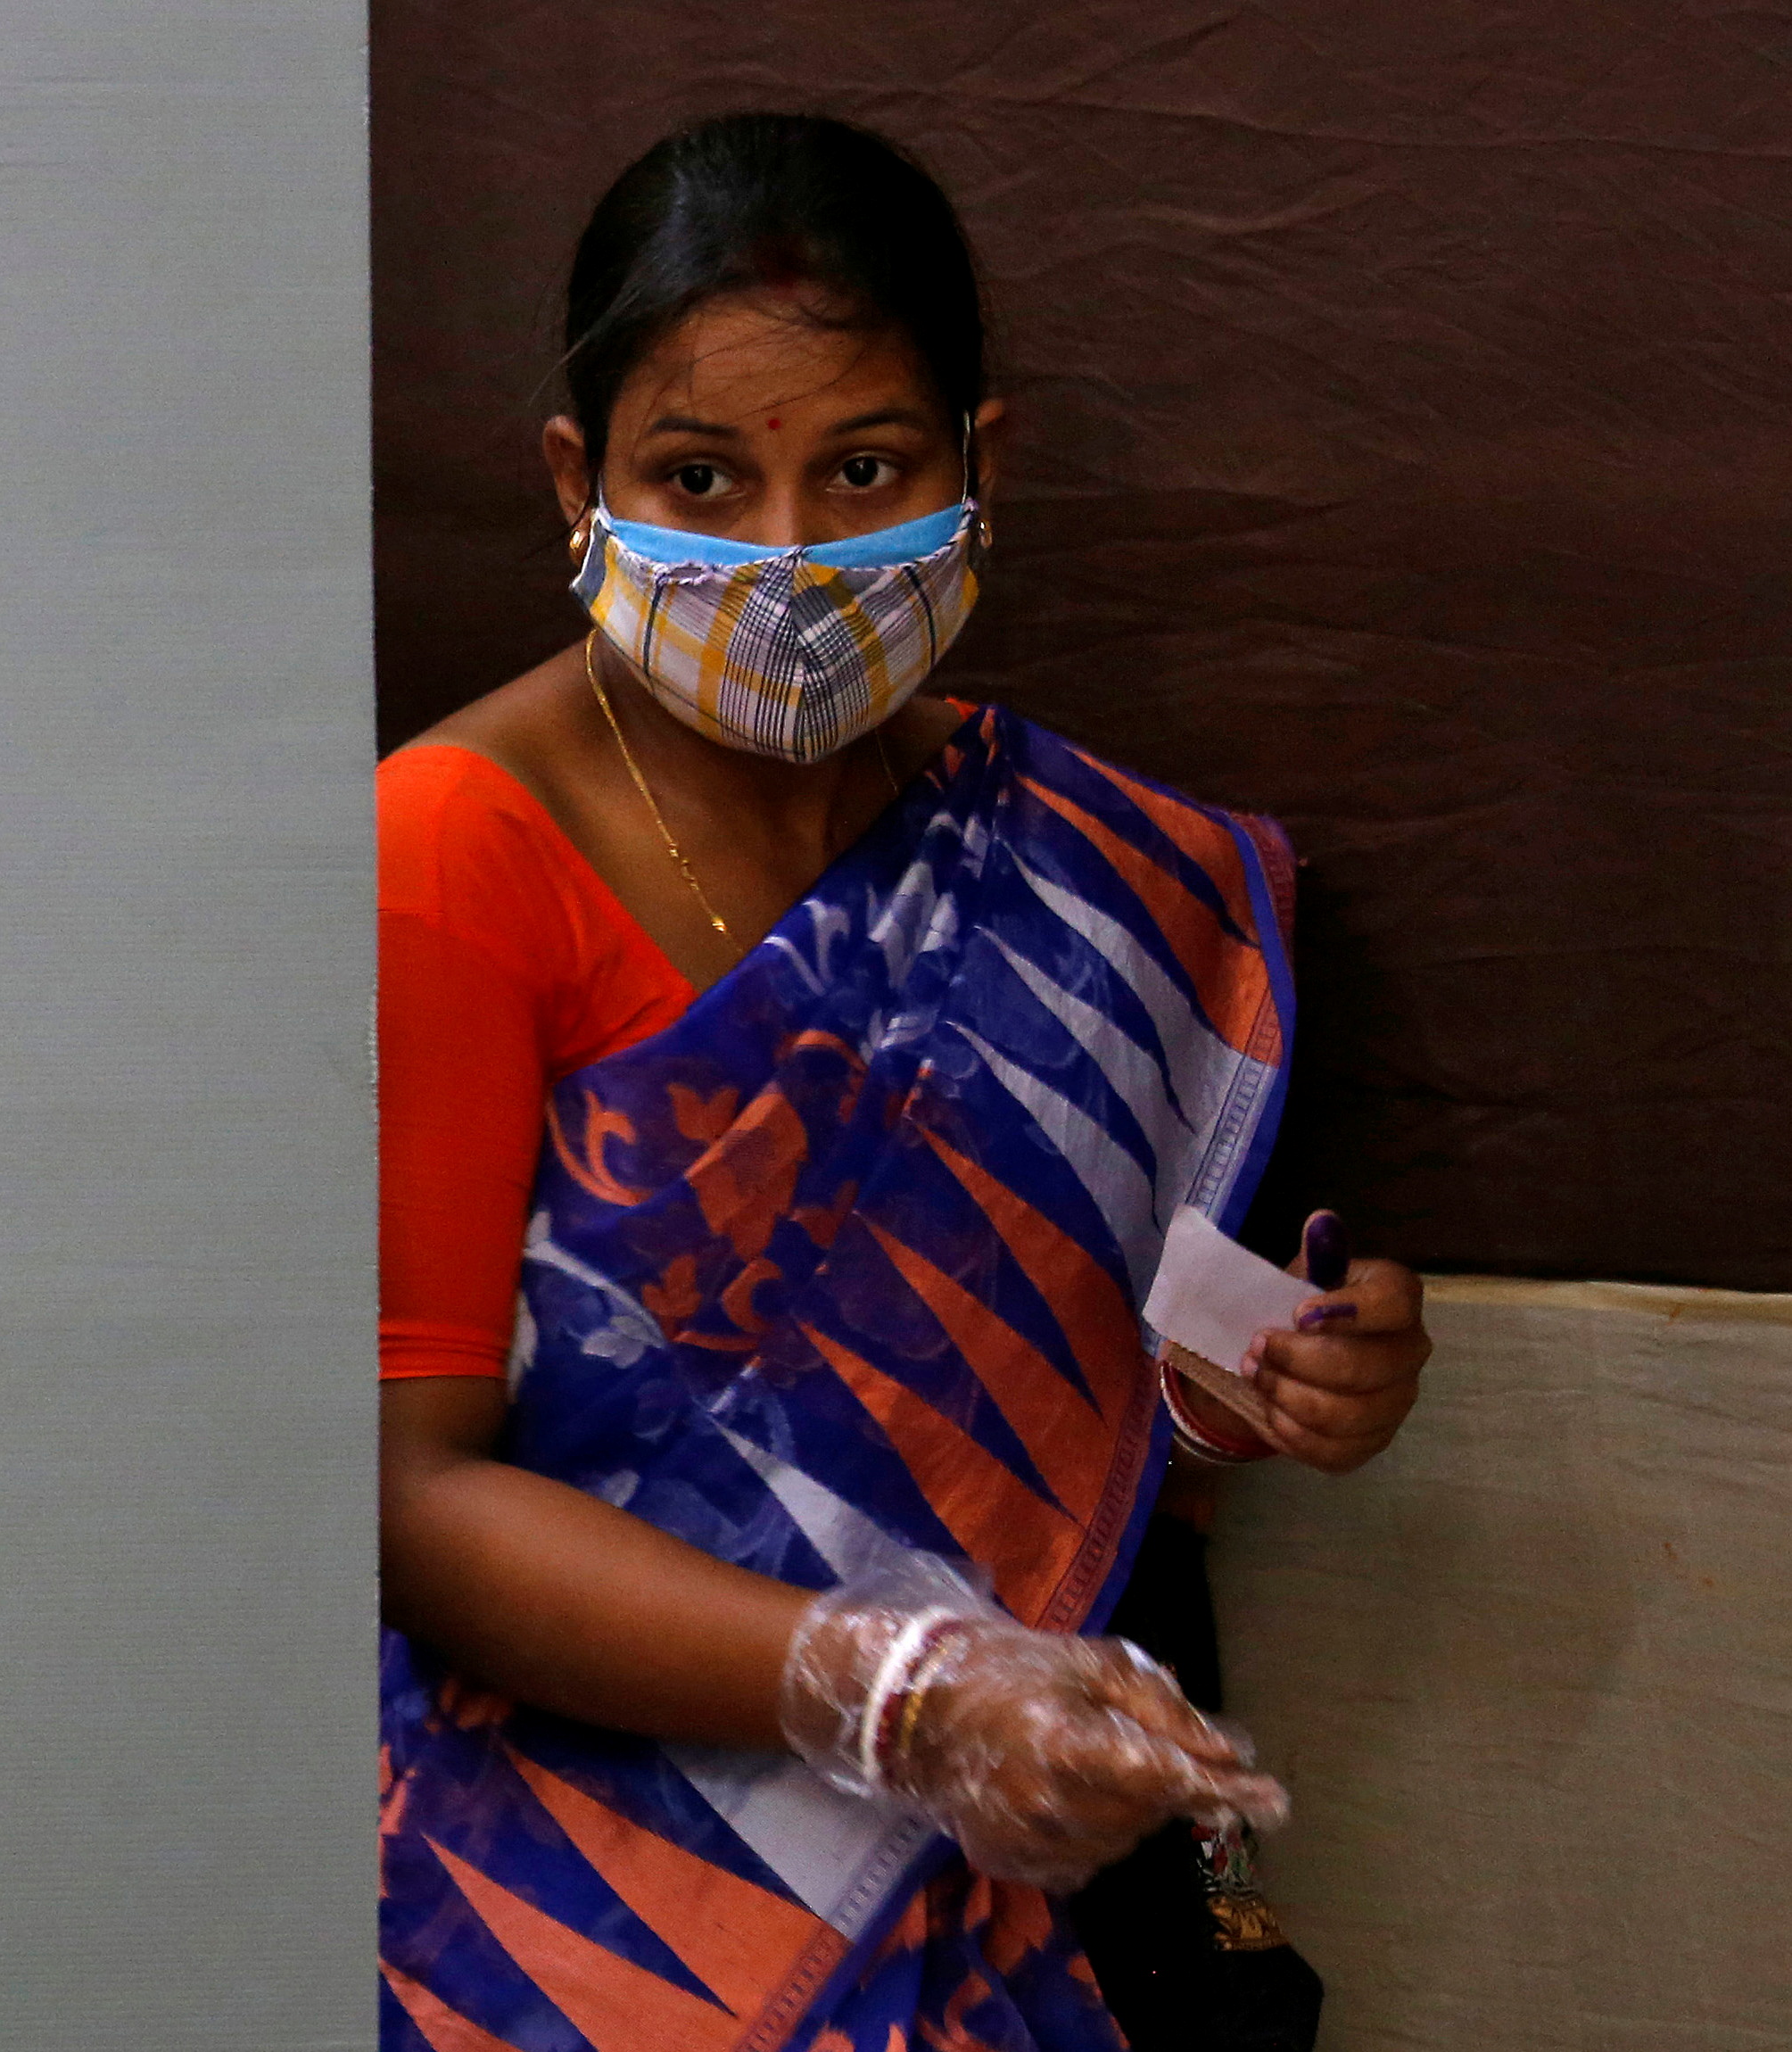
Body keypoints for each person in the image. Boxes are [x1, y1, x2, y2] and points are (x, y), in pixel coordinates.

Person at [377, 113, 1432, 2052]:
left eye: (864, 469)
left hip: (1014, 1898)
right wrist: (896, 1691)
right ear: (577, 481)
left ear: (979, 468)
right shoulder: (453, 845)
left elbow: (1053, 1434)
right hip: (578, 1919)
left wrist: (1266, 1393)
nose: (787, 559)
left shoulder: (1090, 870)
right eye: (702, 475)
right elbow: (408, 1499)